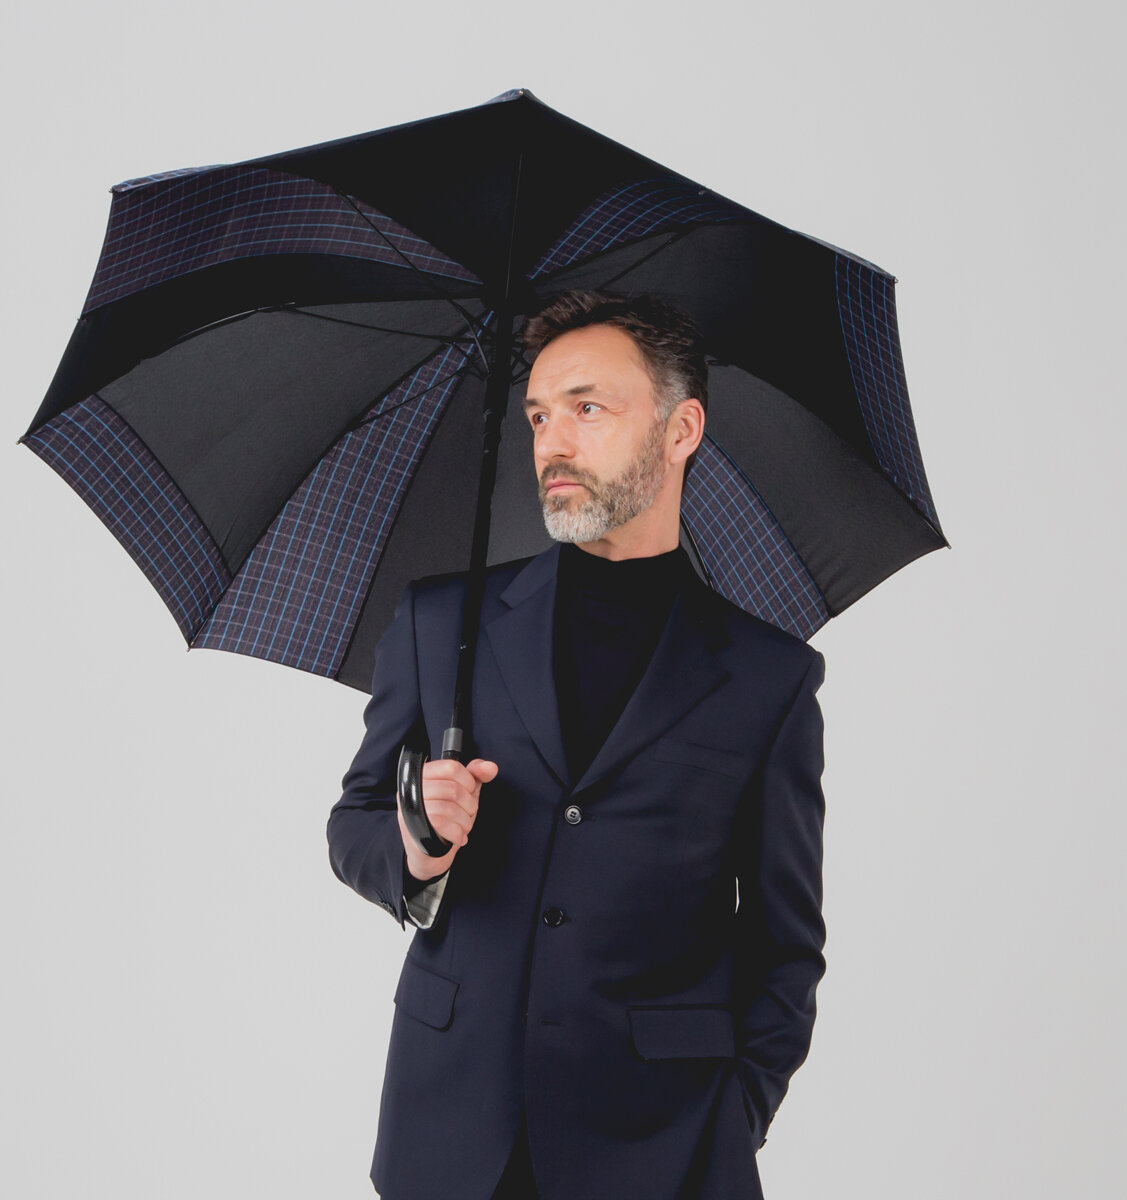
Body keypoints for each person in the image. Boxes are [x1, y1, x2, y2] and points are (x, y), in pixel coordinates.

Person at [327, 290, 827, 1200]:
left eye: (587, 409)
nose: (552, 443)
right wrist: (416, 847)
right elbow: (352, 822)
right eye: (538, 416)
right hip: (450, 1135)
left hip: (662, 1150)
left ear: (680, 430)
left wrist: (729, 1123)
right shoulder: (443, 621)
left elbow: (783, 947)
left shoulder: (769, 677)